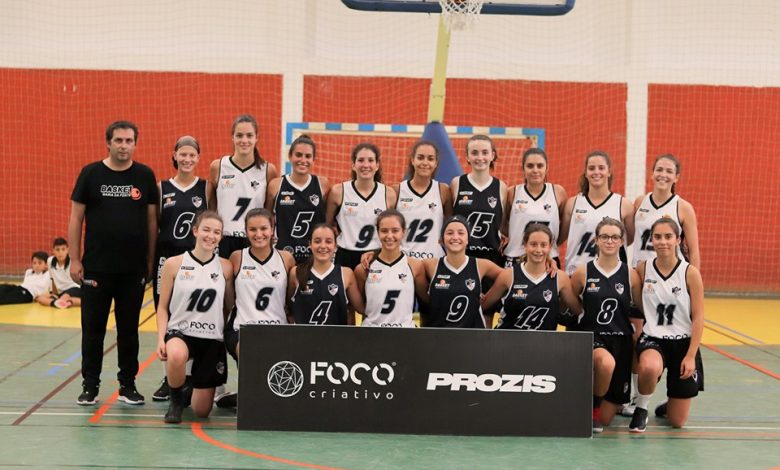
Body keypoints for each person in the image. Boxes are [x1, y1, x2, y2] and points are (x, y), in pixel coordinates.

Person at [69, 120, 157, 406]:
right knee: (93, 330)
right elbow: (76, 218)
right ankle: (90, 386)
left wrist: (150, 260)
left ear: (135, 144)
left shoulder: (144, 176)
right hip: (96, 268)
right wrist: (74, 259)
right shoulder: (90, 174)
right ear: (108, 142)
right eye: (118, 140)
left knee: (129, 330)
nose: (123, 145)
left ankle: (127, 386)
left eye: (129, 141)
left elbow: (151, 222)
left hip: (132, 270)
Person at [625, 153, 702, 417]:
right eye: (659, 169)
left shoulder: (683, 207)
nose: (663, 175)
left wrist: (693, 285)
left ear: (676, 177)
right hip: (644, 282)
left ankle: (673, 398)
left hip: (672, 285)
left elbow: (693, 249)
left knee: (673, 336)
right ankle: (636, 399)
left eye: (669, 171)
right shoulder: (639, 203)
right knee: (637, 338)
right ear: (652, 172)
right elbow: (629, 239)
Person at [155, 211, 234, 424]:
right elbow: (162, 307)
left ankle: (190, 386)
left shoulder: (226, 267)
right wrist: (161, 338)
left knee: (201, 412)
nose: (211, 236)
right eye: (206, 230)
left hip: (211, 338)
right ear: (195, 231)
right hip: (181, 332)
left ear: (221, 236)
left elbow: (229, 306)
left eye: (216, 232)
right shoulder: (174, 264)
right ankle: (176, 400)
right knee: (176, 355)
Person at [629, 217, 704, 433]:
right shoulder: (643, 269)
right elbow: (638, 302)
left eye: (668, 236)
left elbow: (699, 317)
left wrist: (690, 356)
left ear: (678, 240)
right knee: (649, 367)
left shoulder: (690, 273)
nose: (663, 242)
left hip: (683, 342)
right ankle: (641, 408)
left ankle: (669, 405)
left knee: (677, 422)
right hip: (654, 339)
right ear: (651, 240)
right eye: (658, 237)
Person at [570, 218, 642, 433]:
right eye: (604, 237)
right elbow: (571, 306)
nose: (609, 241)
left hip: (621, 341)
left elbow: (640, 308)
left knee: (607, 418)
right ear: (596, 240)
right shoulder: (583, 272)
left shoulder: (630, 275)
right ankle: (592, 408)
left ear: (621, 241)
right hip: (593, 337)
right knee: (605, 363)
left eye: (614, 237)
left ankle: (597, 405)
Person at [151, 135, 209, 402]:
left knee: (195, 316)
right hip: (167, 260)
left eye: (192, 155)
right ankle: (170, 378)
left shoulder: (206, 189)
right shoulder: (162, 188)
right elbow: (155, 226)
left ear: (198, 158)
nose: (187, 159)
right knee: (167, 314)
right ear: (174, 155)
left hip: (196, 262)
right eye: (182, 154)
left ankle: (194, 377)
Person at [482, 224, 581, 331]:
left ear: (550, 247)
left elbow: (579, 311)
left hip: (545, 340)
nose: (538, 250)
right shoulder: (509, 275)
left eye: (543, 245)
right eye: (533, 244)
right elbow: (483, 305)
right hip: (508, 339)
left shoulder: (560, 278)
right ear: (525, 245)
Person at [209, 114, 279, 259]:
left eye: (249, 135)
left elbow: (268, 210)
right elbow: (213, 206)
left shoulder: (268, 170)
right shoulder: (218, 166)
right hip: (224, 239)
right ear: (232, 137)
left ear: (256, 138)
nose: (244, 140)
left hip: (254, 239)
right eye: (239, 135)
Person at [560, 150, 634, 276]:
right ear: (585, 173)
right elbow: (560, 238)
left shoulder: (624, 205)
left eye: (601, 168)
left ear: (609, 172)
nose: (596, 172)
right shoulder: (572, 203)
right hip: (576, 274)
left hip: (610, 275)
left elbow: (629, 239)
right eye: (591, 168)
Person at [422, 215, 504, 328]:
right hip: (438, 333)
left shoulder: (481, 265)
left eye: (461, 233)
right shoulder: (430, 265)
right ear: (441, 240)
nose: (455, 237)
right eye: (449, 233)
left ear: (468, 239)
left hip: (472, 334)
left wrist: (488, 298)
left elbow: (509, 277)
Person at [326, 143, 397, 270]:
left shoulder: (389, 194)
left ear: (377, 165)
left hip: (376, 255)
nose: (366, 165)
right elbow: (327, 225)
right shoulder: (338, 192)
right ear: (353, 165)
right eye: (361, 160)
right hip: (345, 255)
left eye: (370, 160)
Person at [354, 210, 428, 327]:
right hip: (372, 333)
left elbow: (426, 302)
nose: (389, 236)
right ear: (377, 232)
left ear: (403, 232)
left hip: (405, 333)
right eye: (384, 231)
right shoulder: (363, 269)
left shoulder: (415, 266)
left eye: (395, 230)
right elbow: (361, 307)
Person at [266, 134, 331, 264]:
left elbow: (329, 221)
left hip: (314, 256)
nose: (303, 160)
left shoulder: (323, 185)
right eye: (298, 155)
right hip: (283, 254)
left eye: (308, 156)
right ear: (290, 156)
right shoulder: (275, 185)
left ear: (313, 159)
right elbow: (267, 217)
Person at [288, 224, 365, 325]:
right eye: (317, 241)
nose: (323, 246)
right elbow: (288, 308)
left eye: (328, 241)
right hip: (303, 335)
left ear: (335, 245)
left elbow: (362, 309)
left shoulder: (346, 274)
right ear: (310, 244)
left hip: (337, 335)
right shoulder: (296, 272)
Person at [502, 148, 567, 267]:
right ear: (523, 168)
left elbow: (564, 227)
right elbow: (503, 224)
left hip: (548, 259)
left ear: (547, 168)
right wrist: (515, 234)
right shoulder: (512, 193)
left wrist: (551, 242)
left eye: (540, 166)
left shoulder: (558, 192)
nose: (535, 170)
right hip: (515, 257)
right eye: (530, 166)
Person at [392, 140, 452, 260]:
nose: (425, 162)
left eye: (430, 159)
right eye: (420, 158)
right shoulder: (397, 191)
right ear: (412, 160)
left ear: (436, 163)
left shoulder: (443, 190)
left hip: (434, 259)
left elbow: (451, 223)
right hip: (404, 260)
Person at [45, 238, 81, 308]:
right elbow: (52, 279)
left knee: (64, 297)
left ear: (67, 250)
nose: (60, 252)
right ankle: (67, 302)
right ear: (53, 251)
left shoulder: (72, 261)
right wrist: (54, 294)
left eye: (63, 249)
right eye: (57, 250)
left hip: (74, 288)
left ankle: (68, 301)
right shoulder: (50, 261)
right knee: (40, 298)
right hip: (61, 292)